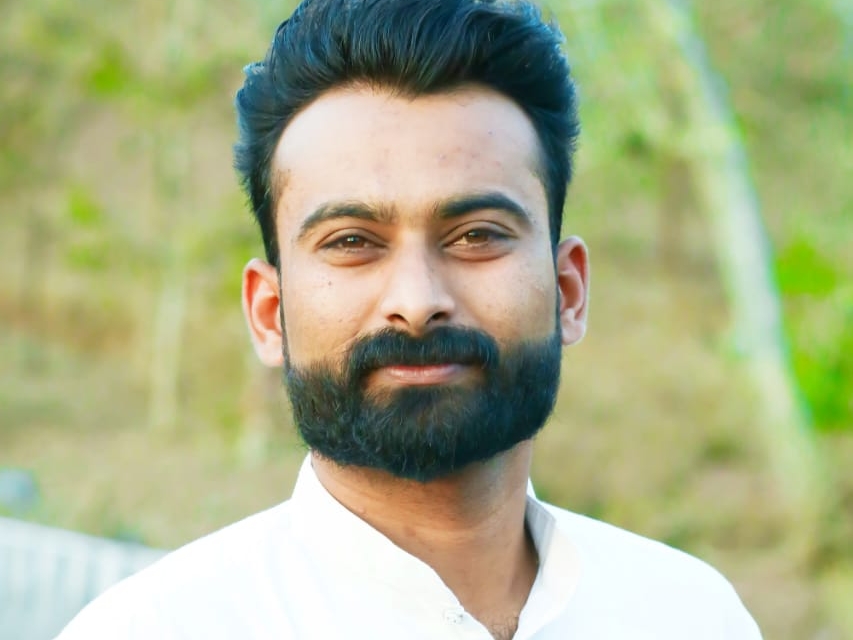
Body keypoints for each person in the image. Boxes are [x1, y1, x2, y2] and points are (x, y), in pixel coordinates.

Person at [58, 0, 763, 638]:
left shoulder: (689, 615)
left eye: (477, 235)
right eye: (352, 242)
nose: (418, 299)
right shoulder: (150, 630)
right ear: (270, 314)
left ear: (567, 290)